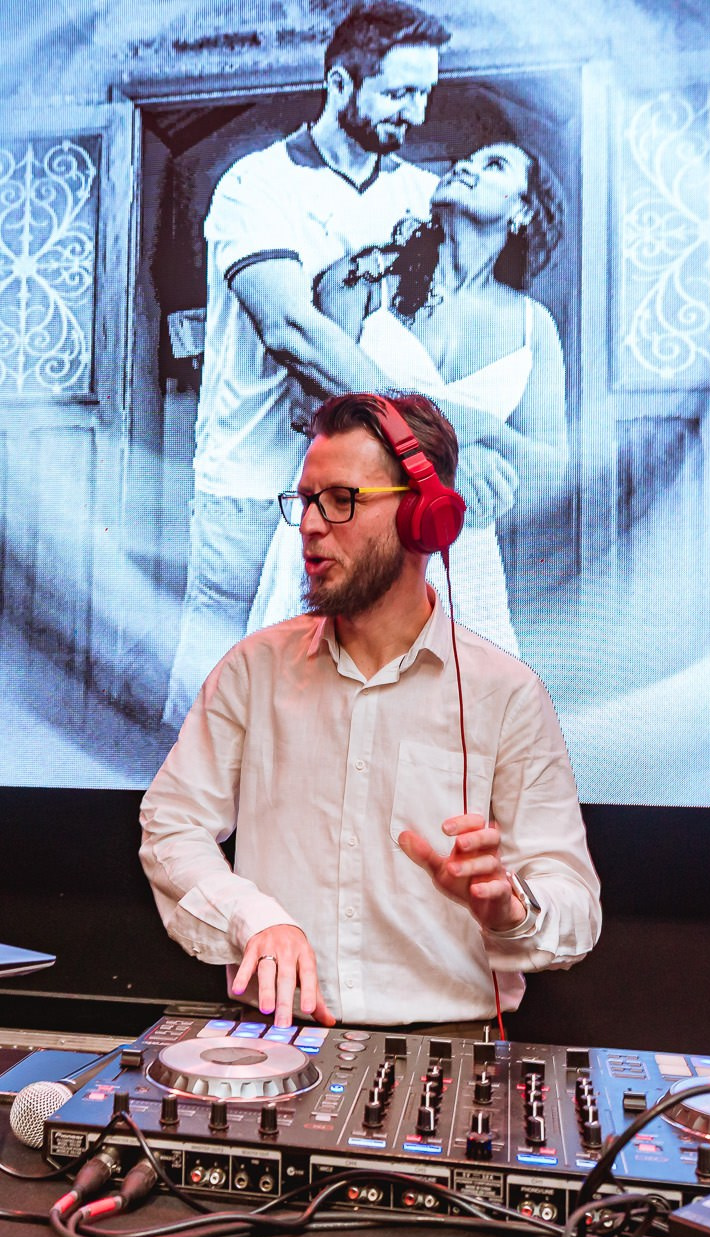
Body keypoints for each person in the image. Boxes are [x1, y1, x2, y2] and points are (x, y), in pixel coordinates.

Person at [141, 392, 601, 1030]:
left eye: (341, 500)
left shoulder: (506, 693)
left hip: (448, 1054)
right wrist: (253, 920)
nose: (310, 525)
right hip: (274, 1043)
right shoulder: (252, 671)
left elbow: (575, 903)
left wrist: (511, 908)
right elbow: (172, 826)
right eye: (306, 500)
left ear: (422, 517)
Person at [163, 1, 538, 726]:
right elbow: (292, 331)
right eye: (399, 93)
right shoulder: (256, 186)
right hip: (252, 481)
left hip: (360, 499)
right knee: (216, 703)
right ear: (340, 84)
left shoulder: (419, 196)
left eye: (425, 92)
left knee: (324, 707)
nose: (417, 113)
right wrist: (450, 435)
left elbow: (449, 326)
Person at [248, 141, 570, 654]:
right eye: (466, 158)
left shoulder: (534, 327)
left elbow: (551, 464)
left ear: (523, 211)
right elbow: (307, 411)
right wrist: (446, 444)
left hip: (456, 553)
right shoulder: (363, 282)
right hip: (348, 527)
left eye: (493, 165)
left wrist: (479, 443)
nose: (463, 164)